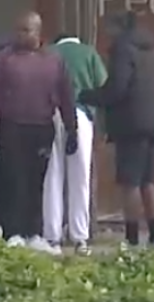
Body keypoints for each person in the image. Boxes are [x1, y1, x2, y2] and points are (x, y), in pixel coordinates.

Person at [0, 12, 78, 252]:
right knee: (13, 179)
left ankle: (33, 232)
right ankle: (12, 231)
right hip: (12, 125)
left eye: (26, 30)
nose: (20, 35)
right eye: (18, 30)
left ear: (38, 32)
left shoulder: (53, 60)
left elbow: (66, 96)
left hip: (42, 126)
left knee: (37, 181)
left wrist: (71, 128)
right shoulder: (3, 59)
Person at [79, 11, 154, 248]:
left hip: (131, 124)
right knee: (148, 181)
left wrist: (87, 95)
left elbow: (117, 88)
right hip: (153, 122)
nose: (107, 33)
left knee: (130, 183)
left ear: (119, 27)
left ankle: (131, 238)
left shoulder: (122, 49)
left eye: (109, 27)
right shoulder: (149, 48)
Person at [42, 33, 108, 256]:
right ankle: (80, 238)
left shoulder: (48, 53)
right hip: (81, 116)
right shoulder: (89, 53)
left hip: (50, 116)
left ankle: (52, 237)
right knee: (81, 178)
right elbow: (103, 86)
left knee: (52, 176)